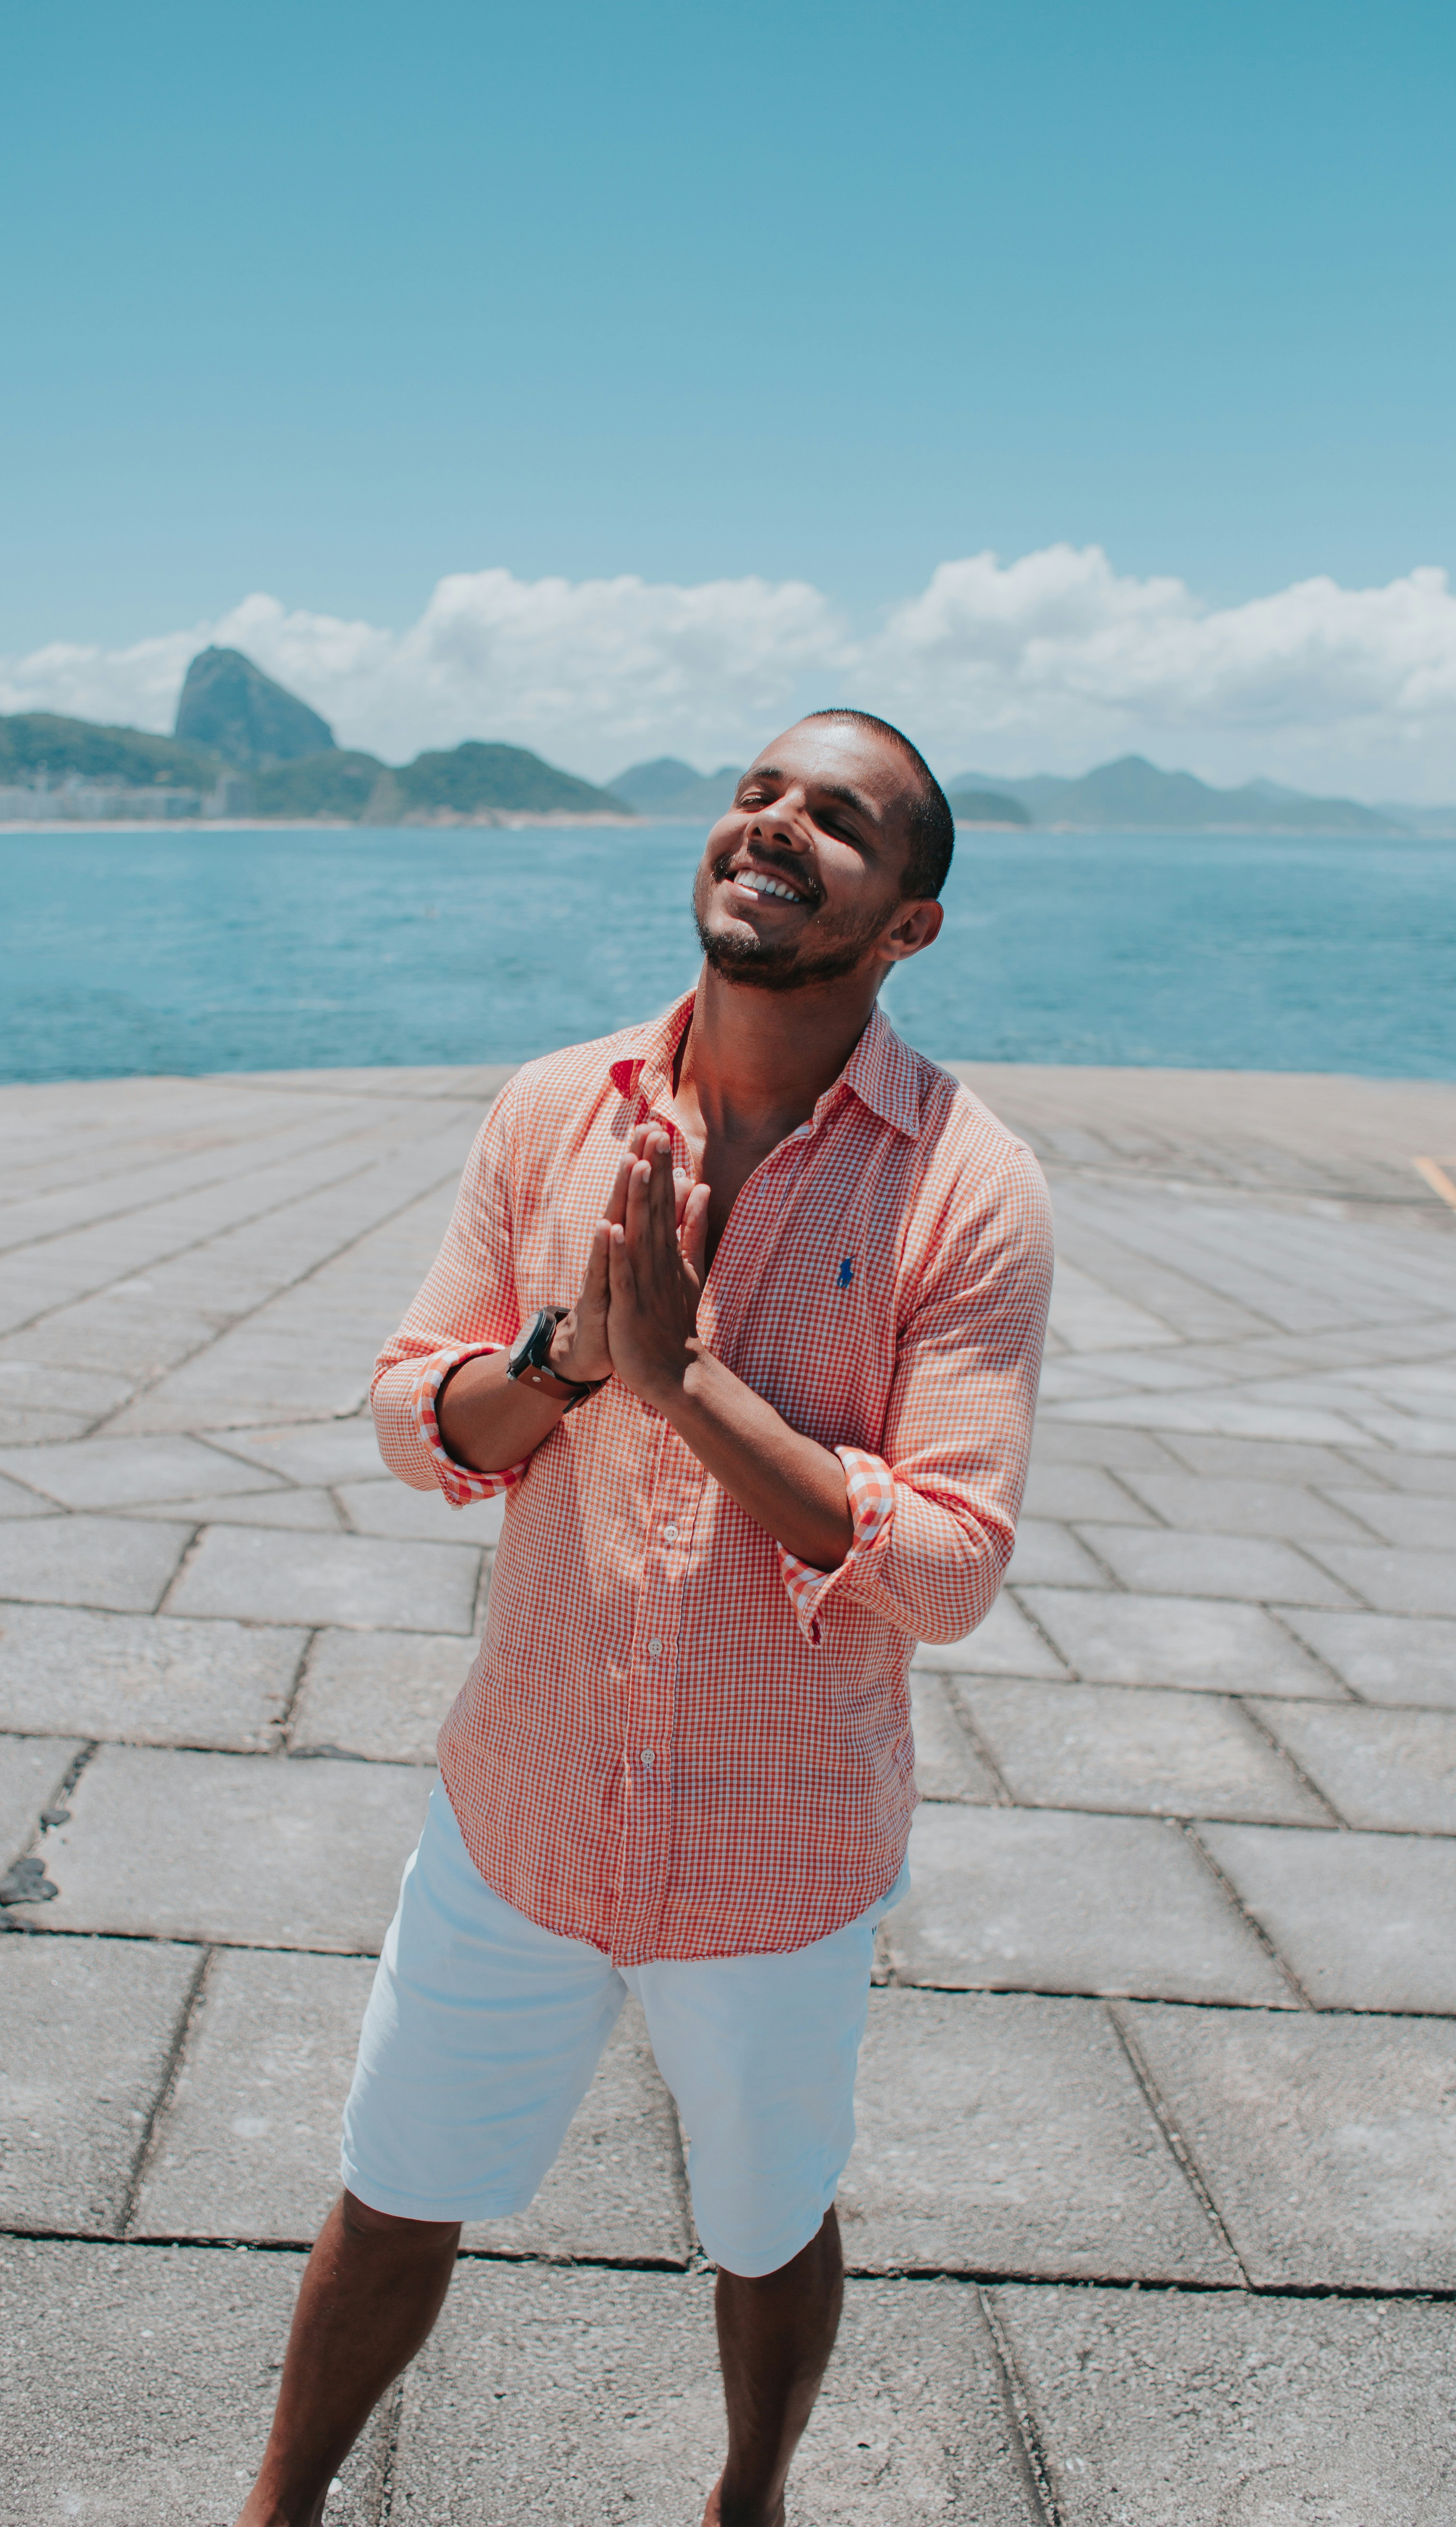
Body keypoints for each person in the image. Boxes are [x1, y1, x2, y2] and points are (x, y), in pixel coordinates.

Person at [235, 708, 1053, 2527]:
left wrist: (689, 1382)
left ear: (908, 924)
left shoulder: (966, 1185)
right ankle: (275, 2512)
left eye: (838, 822)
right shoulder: (555, 1107)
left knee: (769, 2217)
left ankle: (746, 2498)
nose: (774, 825)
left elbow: (952, 1563)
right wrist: (560, 1362)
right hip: (519, 1804)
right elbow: (408, 1403)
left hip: (778, 1847)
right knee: (393, 2185)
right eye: (760, 791)